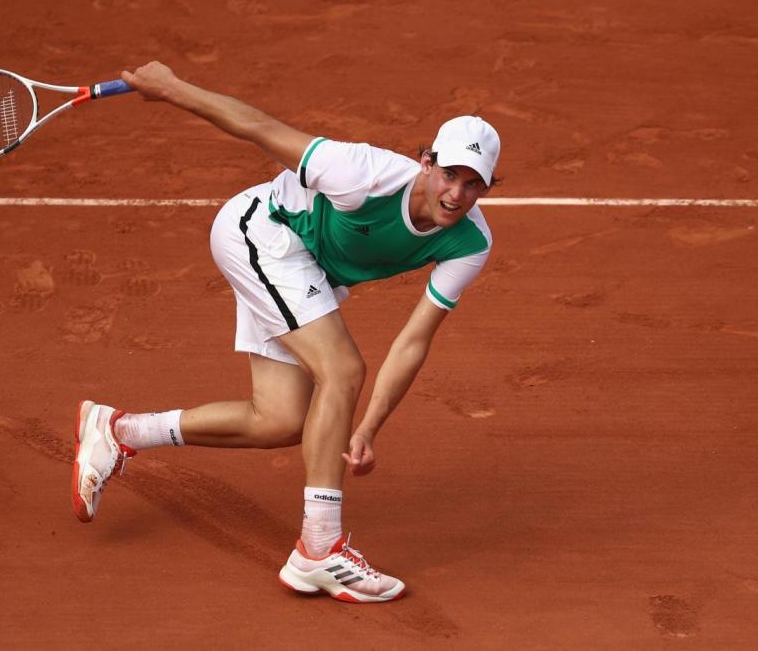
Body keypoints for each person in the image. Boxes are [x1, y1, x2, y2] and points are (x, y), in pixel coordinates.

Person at [71, 61, 501, 604]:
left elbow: (415, 339)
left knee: (278, 420)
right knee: (341, 369)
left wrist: (368, 427)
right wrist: (172, 89)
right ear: (425, 162)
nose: (457, 195)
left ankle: (120, 431)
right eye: (450, 175)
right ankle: (318, 551)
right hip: (263, 233)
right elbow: (261, 129)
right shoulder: (362, 171)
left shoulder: (470, 244)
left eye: (473, 185)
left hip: (305, 271)